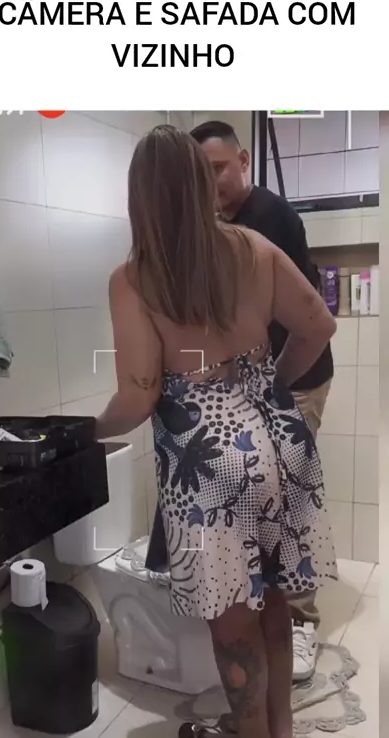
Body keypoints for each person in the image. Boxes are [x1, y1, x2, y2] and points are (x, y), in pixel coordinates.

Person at [96, 125, 337, 738]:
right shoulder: (254, 247)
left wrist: (86, 430)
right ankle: (280, 730)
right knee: (274, 603)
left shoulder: (135, 278)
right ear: (199, 184)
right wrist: (269, 386)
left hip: (209, 469)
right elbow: (319, 325)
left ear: (140, 197)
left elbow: (139, 394)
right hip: (279, 443)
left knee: (233, 631)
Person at [190, 120, 334, 683]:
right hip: (254, 384)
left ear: (244, 160)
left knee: (289, 502)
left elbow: (309, 320)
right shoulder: (212, 225)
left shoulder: (271, 219)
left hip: (295, 377)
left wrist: (273, 388)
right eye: (201, 174)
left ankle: (300, 622)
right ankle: (266, 613)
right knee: (260, 504)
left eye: (219, 169)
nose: (211, 183)